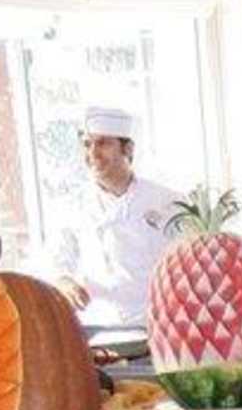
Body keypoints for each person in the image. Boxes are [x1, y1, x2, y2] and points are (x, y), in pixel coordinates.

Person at [47, 105, 178, 328]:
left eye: (103, 143)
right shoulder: (72, 206)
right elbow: (57, 261)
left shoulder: (167, 201)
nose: (93, 153)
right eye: (87, 144)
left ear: (128, 149)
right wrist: (65, 282)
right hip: (97, 327)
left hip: (157, 325)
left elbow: (188, 263)